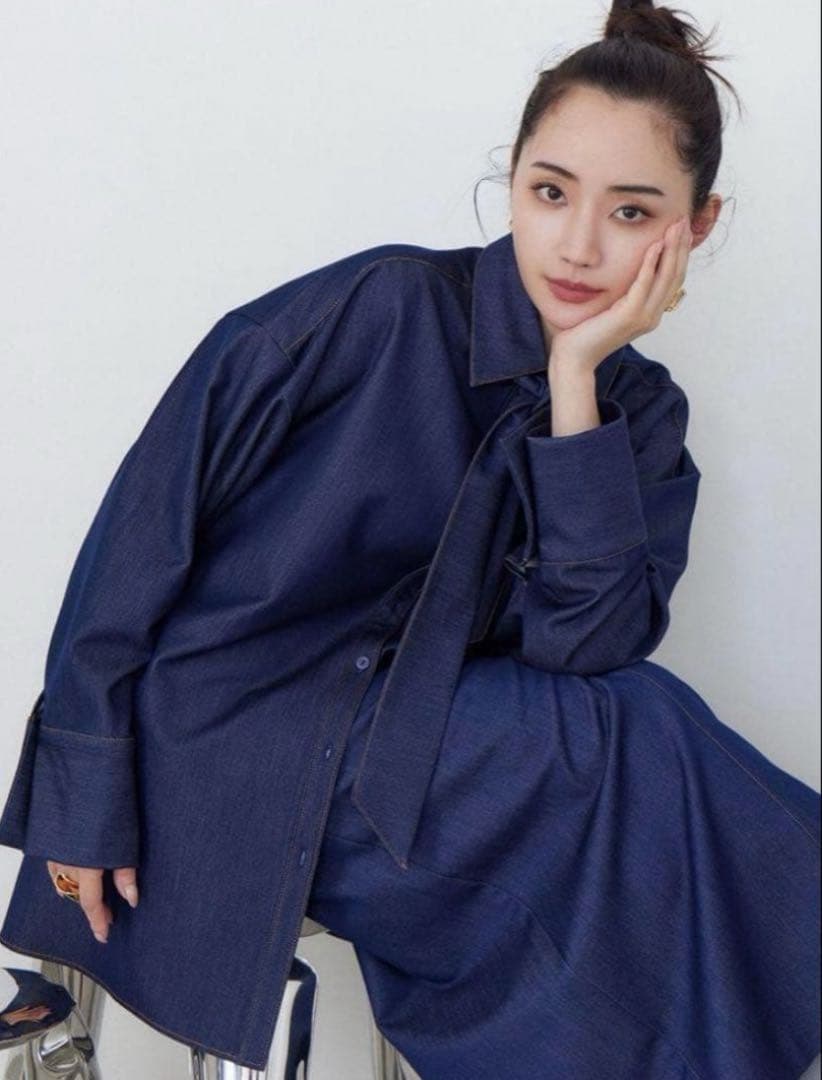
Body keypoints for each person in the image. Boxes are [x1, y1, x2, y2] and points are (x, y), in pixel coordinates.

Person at [0, 0, 818, 1076]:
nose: (578, 245)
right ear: (512, 179)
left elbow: (586, 646)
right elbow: (139, 539)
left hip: (435, 752)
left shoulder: (643, 416)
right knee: (637, 752)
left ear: (694, 229)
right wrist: (83, 793)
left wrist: (576, 383)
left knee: (636, 765)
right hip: (230, 731)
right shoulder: (378, 307)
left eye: (632, 213)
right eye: (551, 192)